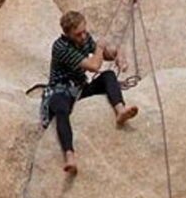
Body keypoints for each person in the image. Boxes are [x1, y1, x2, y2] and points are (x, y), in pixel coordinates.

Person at [44, 10, 138, 174]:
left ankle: (120, 111)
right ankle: (69, 156)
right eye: (78, 34)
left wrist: (119, 56)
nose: (83, 37)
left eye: (84, 31)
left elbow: (109, 53)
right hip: (60, 90)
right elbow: (94, 65)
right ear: (67, 34)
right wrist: (100, 48)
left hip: (80, 89)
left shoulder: (84, 39)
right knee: (61, 108)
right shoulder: (61, 47)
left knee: (108, 76)